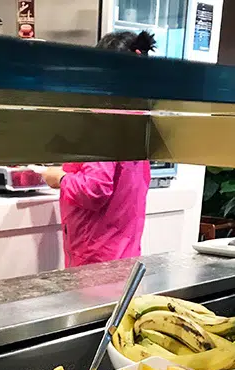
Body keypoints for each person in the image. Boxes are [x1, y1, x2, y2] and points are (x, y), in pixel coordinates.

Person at [43, 30, 154, 269]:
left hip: (95, 257)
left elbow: (95, 189)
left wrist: (60, 178)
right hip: (125, 253)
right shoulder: (137, 120)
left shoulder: (102, 122)